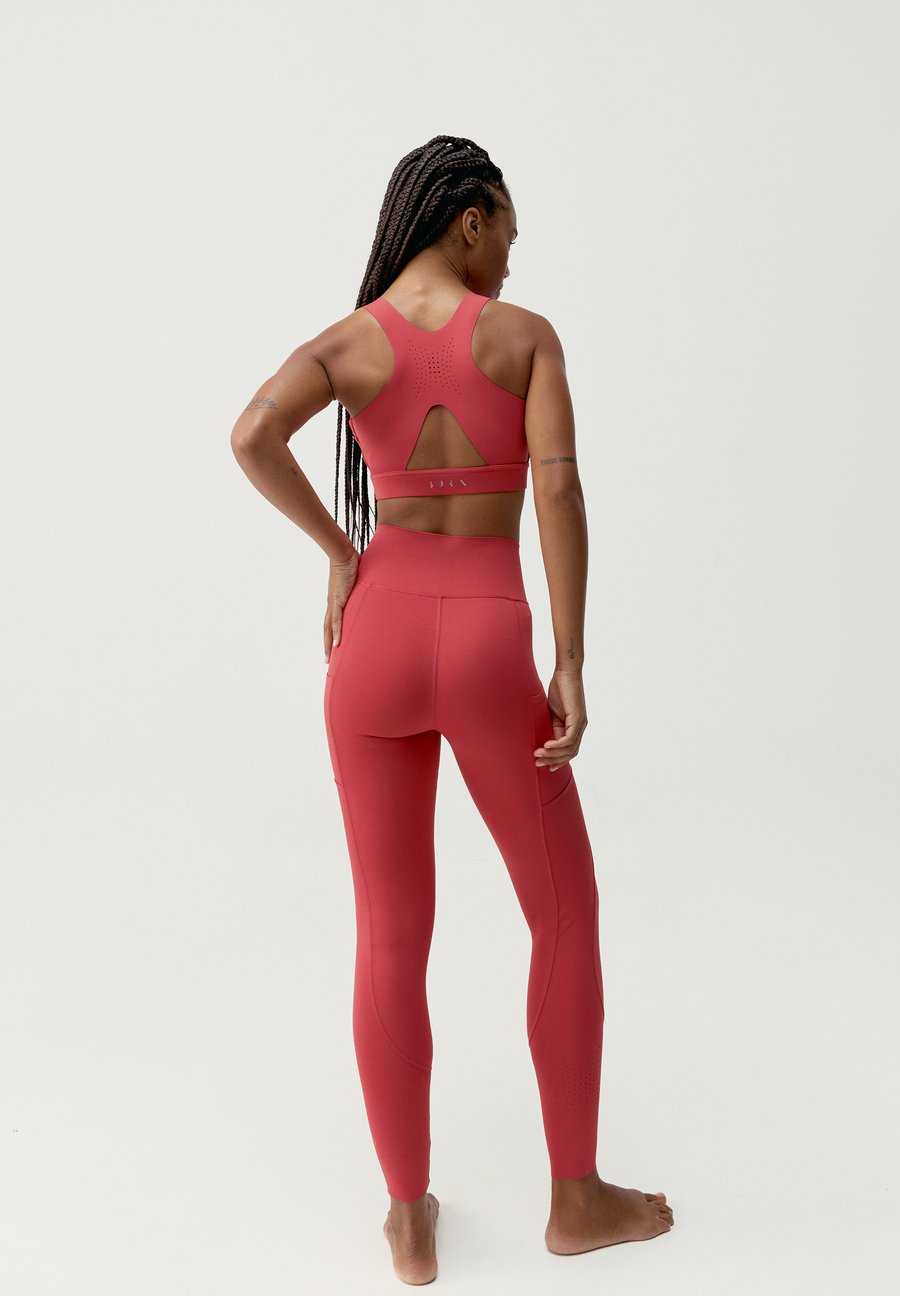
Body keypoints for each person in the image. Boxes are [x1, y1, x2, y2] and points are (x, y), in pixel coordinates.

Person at [230, 134, 673, 1285]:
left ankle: (410, 1218)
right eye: (508, 232)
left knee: (389, 933)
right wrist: (570, 659)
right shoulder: (524, 340)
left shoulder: (346, 343)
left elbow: (249, 435)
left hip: (372, 644)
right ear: (469, 218)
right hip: (485, 644)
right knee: (563, 912)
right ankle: (575, 1199)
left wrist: (341, 552)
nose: (512, 259)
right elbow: (559, 493)